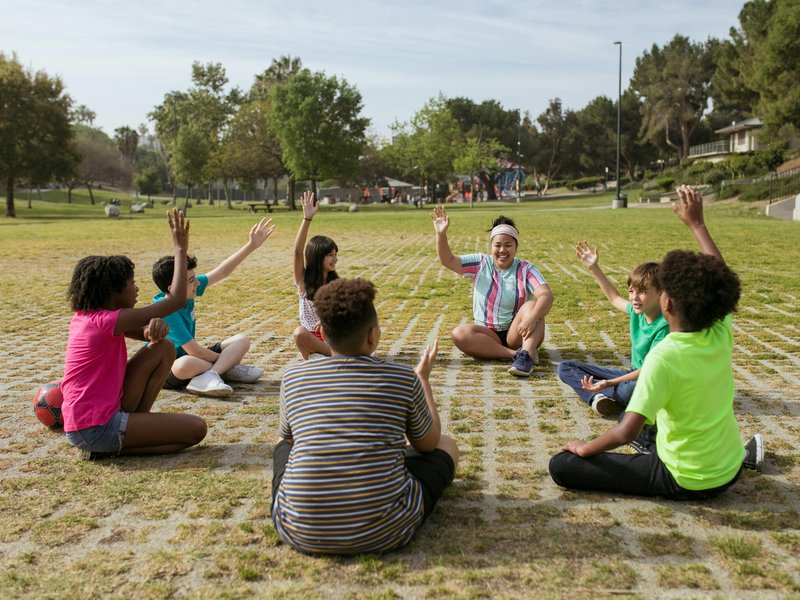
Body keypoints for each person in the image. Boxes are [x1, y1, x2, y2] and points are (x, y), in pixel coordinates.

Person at [549, 185, 764, 500]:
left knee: (562, 465)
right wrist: (697, 225)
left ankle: (652, 454)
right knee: (643, 418)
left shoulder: (663, 356)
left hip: (687, 479)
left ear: (668, 306)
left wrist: (584, 448)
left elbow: (625, 433)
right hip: (729, 468)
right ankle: (741, 455)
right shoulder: (718, 332)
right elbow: (719, 275)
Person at [272, 278, 459, 555]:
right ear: (373, 336)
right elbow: (428, 444)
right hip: (387, 530)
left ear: (321, 332)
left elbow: (289, 439)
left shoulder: (294, 377)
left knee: (282, 441)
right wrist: (423, 380)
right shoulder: (402, 377)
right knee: (447, 445)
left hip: (299, 529)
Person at [61, 210, 207, 460]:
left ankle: (132, 428)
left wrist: (154, 330)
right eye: (131, 282)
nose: (137, 288)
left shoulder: (90, 318)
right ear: (113, 291)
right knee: (196, 429)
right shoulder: (109, 319)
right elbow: (176, 301)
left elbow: (146, 334)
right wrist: (180, 250)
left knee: (163, 348)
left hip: (90, 421)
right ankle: (109, 448)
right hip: (95, 427)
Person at [152, 217, 275, 397]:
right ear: (173, 287)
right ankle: (224, 370)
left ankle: (211, 375)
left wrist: (251, 246)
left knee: (241, 340)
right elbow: (193, 351)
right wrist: (229, 361)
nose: (196, 283)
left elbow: (222, 271)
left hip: (197, 358)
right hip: (171, 368)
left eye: (194, 277)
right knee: (185, 363)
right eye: (191, 280)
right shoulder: (165, 310)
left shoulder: (186, 291)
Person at [431, 206, 554, 377]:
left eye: (508, 245)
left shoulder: (525, 268)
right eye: (497, 245)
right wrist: (441, 234)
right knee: (459, 333)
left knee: (533, 306)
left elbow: (546, 294)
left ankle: (525, 352)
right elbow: (448, 260)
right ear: (491, 246)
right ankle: (518, 355)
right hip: (487, 335)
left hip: (517, 332)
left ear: (516, 247)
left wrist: (532, 319)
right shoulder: (481, 263)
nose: (502, 250)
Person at [558, 249, 668, 417]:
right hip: (630, 374)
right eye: (631, 291)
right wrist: (594, 267)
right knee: (566, 367)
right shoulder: (637, 312)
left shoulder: (665, 325)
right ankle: (599, 397)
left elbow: (649, 369)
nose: (634, 298)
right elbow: (614, 298)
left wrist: (609, 382)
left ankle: (602, 393)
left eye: (643, 292)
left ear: (661, 293)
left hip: (649, 380)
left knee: (628, 389)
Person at [292, 191, 338, 359]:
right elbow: (297, 252)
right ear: (318, 257)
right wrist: (307, 220)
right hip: (313, 338)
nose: (335, 259)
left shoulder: (336, 283)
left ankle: (330, 356)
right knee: (299, 333)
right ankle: (338, 357)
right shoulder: (303, 282)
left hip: (334, 337)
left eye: (335, 254)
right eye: (330, 255)